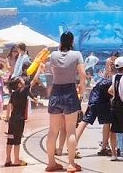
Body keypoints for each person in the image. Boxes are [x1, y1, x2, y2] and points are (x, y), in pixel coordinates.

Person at [45, 32, 86, 173]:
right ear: (72, 42)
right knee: (71, 130)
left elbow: (52, 70)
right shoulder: (77, 55)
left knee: (52, 130)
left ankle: (51, 163)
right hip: (69, 91)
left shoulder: (54, 55)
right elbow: (83, 73)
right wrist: (82, 85)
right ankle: (71, 164)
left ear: (60, 42)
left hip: (56, 91)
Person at [5, 71, 39, 167]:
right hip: (19, 120)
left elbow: (10, 106)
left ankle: (7, 159)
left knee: (10, 139)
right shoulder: (23, 91)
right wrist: (39, 68)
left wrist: (8, 117)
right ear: (19, 85)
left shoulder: (13, 94)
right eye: (21, 80)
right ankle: (16, 160)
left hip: (12, 120)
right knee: (17, 140)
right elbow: (35, 80)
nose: (23, 80)